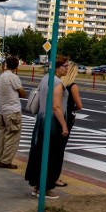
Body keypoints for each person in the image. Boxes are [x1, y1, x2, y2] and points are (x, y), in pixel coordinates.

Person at [24, 56, 71, 199]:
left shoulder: (45, 78)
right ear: (57, 67)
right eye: (65, 66)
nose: (67, 68)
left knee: (39, 153)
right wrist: (64, 125)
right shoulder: (57, 83)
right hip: (52, 122)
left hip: (41, 119)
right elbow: (56, 107)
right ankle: (46, 188)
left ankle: (37, 186)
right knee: (52, 155)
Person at [0, 56, 26, 169]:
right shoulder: (14, 77)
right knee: (12, 138)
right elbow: (22, 93)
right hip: (13, 111)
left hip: (2, 111)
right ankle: (6, 161)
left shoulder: (1, 76)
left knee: (1, 137)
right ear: (17, 66)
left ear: (6, 64)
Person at [55, 62, 83, 187]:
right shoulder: (73, 86)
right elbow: (79, 106)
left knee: (54, 147)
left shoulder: (58, 84)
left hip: (56, 117)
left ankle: (49, 175)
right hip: (66, 119)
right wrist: (72, 109)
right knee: (60, 149)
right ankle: (55, 177)